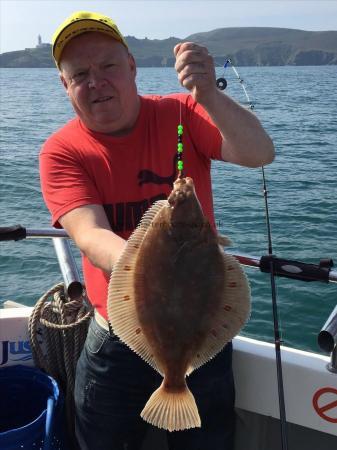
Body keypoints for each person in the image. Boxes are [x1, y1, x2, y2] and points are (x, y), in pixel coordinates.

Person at [40, 10, 274, 450]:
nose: (96, 82)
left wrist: (208, 94)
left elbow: (259, 152)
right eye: (80, 74)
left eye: (108, 66)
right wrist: (158, 253)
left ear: (131, 66)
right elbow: (89, 236)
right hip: (116, 335)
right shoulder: (61, 151)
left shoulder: (183, 112)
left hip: (200, 333)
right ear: (65, 85)